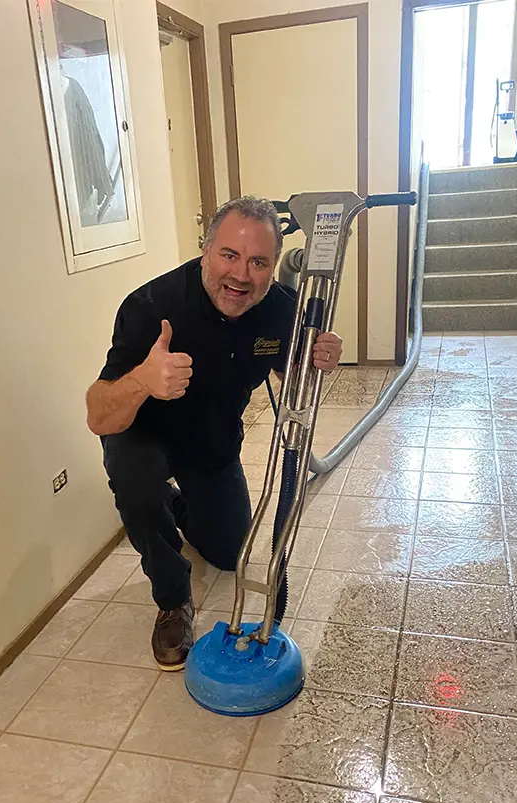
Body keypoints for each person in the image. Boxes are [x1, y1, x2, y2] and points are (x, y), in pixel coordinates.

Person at [86, 196, 342, 670]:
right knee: (138, 485)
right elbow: (99, 417)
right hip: (144, 436)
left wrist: (317, 357)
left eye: (258, 262)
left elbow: (297, 383)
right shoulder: (150, 307)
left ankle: (178, 504)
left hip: (212, 440)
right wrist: (143, 378)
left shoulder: (280, 311)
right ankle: (172, 600)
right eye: (229, 255)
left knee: (229, 554)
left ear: (271, 268)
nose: (241, 275)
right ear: (206, 250)